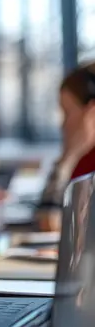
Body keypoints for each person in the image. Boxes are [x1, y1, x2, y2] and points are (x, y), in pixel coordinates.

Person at [39, 62, 95, 232]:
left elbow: (52, 223)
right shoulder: (83, 156)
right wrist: (69, 157)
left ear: (91, 113)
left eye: (67, 112)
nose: (62, 123)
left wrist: (68, 158)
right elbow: (46, 217)